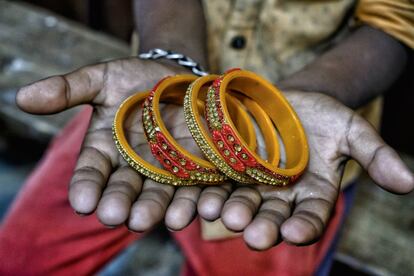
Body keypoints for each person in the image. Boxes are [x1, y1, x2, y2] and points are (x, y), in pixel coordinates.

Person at [1, 0, 413, 275]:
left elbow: (396, 18)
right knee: (20, 255)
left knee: (259, 248)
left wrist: (312, 95)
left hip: (295, 152)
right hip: (150, 116)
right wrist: (170, 53)